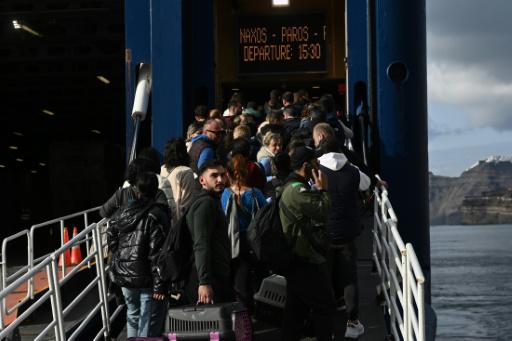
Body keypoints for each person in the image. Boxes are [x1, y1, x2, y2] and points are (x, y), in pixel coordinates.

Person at [279, 146, 335, 341]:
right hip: (305, 257)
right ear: (306, 165)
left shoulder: (294, 186)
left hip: (298, 256)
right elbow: (322, 211)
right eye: (315, 162)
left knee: (295, 309)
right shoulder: (297, 190)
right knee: (325, 306)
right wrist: (324, 189)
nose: (318, 166)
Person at [317, 136, 371, 339]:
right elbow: (366, 184)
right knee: (349, 278)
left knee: (325, 278)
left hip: (325, 233)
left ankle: (327, 322)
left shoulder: (317, 170)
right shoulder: (352, 171)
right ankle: (352, 321)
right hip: (347, 233)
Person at [107, 172, 170, 337]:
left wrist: (120, 253)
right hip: (146, 276)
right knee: (147, 323)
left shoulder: (123, 211)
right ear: (156, 190)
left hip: (124, 274)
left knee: (133, 315)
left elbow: (111, 233)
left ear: (136, 189)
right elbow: (157, 253)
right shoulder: (156, 214)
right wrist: (160, 284)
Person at [221, 154, 267, 309]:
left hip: (232, 243)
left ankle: (240, 318)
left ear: (227, 174)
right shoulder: (256, 194)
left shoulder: (225, 195)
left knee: (237, 283)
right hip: (252, 243)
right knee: (250, 280)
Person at [185, 159, 233, 304]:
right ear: (202, 180)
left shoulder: (212, 201)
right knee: (212, 325)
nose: (220, 179)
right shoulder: (206, 204)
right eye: (214, 176)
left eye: (222, 175)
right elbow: (201, 243)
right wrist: (204, 282)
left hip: (214, 274)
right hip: (209, 278)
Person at [160, 138, 200, 225]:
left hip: (165, 221)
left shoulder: (162, 168)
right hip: (179, 224)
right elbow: (186, 204)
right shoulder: (186, 172)